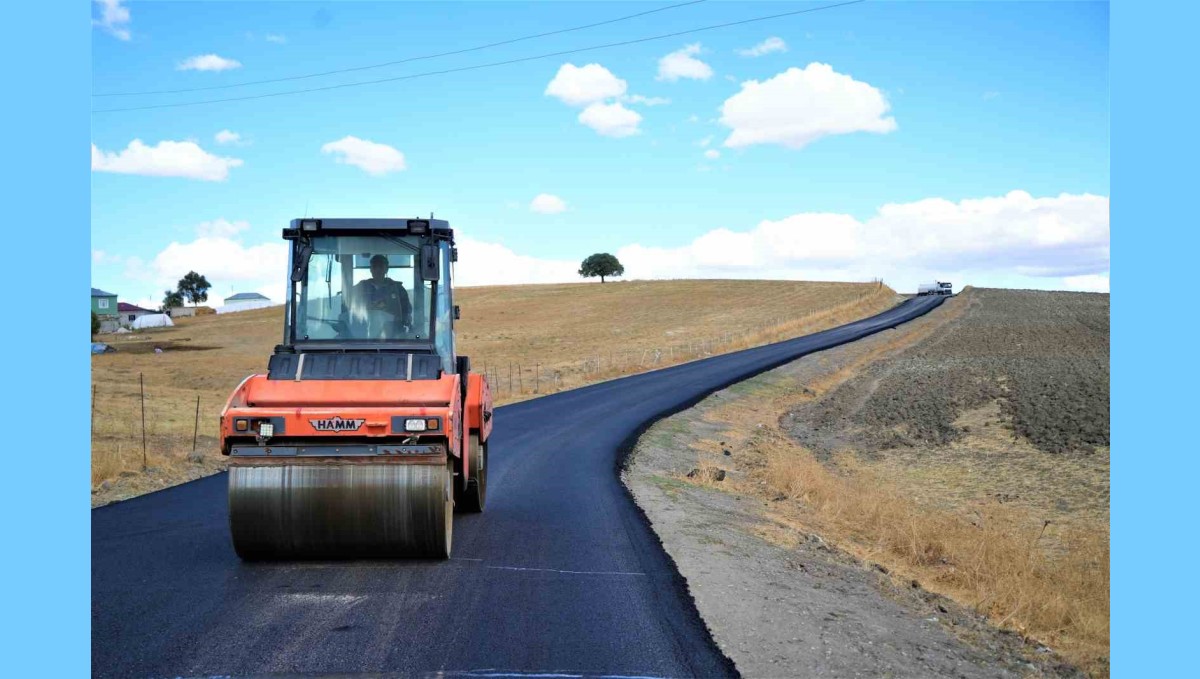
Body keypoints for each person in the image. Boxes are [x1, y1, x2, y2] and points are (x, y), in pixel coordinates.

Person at [351, 254, 412, 337]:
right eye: (374, 267)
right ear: (370, 269)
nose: (378, 270)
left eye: (381, 267)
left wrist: (406, 321)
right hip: (363, 336)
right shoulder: (360, 288)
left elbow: (406, 311)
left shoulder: (398, 289)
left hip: (393, 337)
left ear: (386, 269)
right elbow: (348, 306)